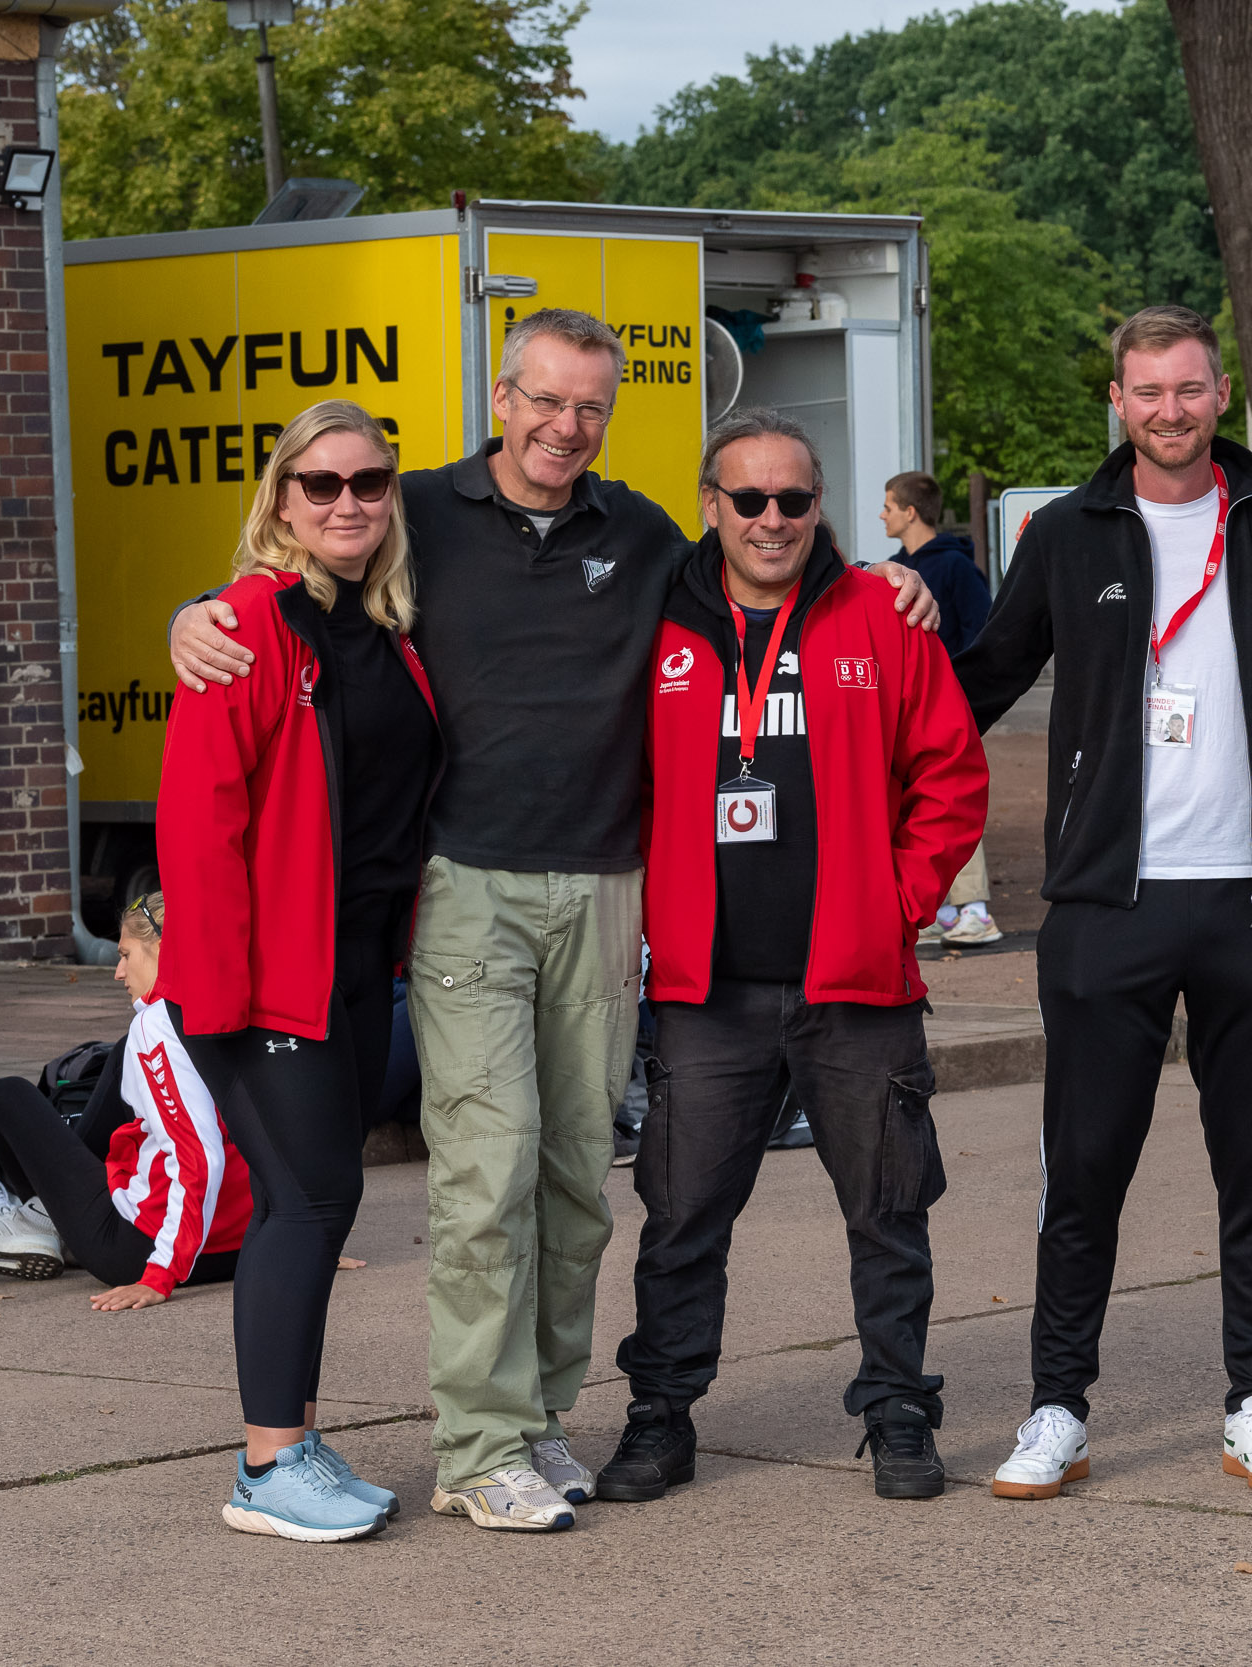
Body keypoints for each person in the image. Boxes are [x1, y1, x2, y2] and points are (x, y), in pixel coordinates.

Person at [165, 310, 941, 1533]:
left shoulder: (637, 534)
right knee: (487, 1173)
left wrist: (897, 574)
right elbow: (307, 557)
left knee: (576, 1178)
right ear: (502, 393)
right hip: (468, 889)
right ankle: (474, 1448)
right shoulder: (415, 507)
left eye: (589, 406)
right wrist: (192, 612)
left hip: (606, 889)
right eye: (544, 400)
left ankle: (534, 1418)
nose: (563, 427)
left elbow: (771, 559)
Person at [951, 304, 1252, 1500]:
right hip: (1106, 905)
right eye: (1146, 390)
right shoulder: (1067, 532)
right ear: (1115, 402)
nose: (1169, 409)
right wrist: (888, 635)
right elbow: (983, 675)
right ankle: (1056, 1403)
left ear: (1222, 396)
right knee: (1086, 1173)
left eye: (1189, 387)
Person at [602, 411, 988, 1505]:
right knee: (680, 1216)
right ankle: (660, 1416)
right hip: (706, 986)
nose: (772, 521)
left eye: (794, 500)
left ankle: (900, 1410)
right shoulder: (660, 624)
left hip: (853, 981)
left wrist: (896, 901)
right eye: (749, 500)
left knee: (887, 1209)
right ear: (710, 505)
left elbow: (951, 776)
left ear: (820, 505)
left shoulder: (882, 611)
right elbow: (616, 780)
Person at [156, 398, 439, 1544]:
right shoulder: (245, 625)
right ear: (280, 496)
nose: (346, 503)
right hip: (269, 977)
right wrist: (222, 998)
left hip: (359, 965)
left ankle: (295, 1435)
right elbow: (198, 830)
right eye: (319, 484)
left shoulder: (383, 627)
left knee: (315, 1198)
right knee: (308, 1199)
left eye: (368, 483)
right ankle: (267, 1464)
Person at [0, 888, 254, 1308]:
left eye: (126, 955)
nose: (118, 972)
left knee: (7, 1094)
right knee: (123, 1060)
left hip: (141, 1251)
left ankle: (37, 1218)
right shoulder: (241, 1004)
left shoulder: (157, 1025)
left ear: (163, 948)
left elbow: (199, 1157)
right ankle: (40, 1211)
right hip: (237, 1250)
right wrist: (300, 1236)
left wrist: (159, 1275)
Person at [882, 471, 1003, 949]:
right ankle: (939, 911)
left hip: (945, 708)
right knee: (913, 803)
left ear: (910, 512)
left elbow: (983, 632)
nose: (882, 513)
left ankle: (974, 910)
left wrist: (957, 695)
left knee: (949, 795)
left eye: (889, 506)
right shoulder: (891, 567)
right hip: (900, 711)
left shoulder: (955, 569)